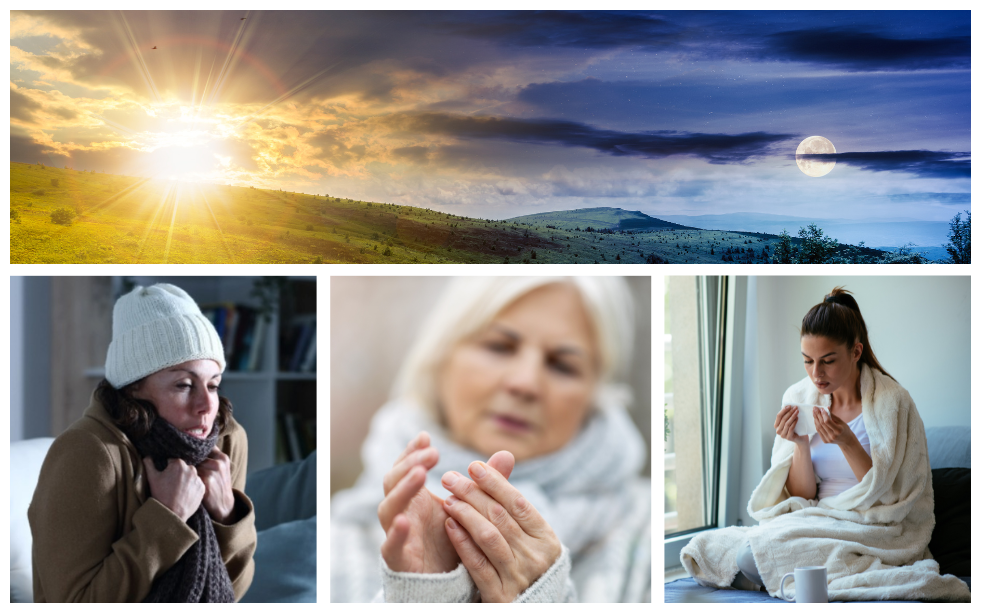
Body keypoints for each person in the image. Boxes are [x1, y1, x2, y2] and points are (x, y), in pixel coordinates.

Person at [331, 277, 651, 602]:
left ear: (593, 395)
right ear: (442, 357)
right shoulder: (335, 538)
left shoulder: (650, 532)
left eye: (562, 365)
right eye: (499, 346)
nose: (524, 383)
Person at [681, 287, 970, 602]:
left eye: (828, 361)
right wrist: (800, 444)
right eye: (807, 361)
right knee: (709, 546)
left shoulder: (893, 403)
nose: (816, 374)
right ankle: (788, 573)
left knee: (751, 557)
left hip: (869, 525)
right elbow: (802, 496)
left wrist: (847, 441)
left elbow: (892, 499)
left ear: (856, 352)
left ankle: (775, 575)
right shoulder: (800, 398)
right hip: (815, 517)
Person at [29, 283, 257, 602]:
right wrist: (168, 517)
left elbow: (231, 590)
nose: (207, 405)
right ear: (134, 388)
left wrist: (227, 515)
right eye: (184, 385)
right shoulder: (87, 452)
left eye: (213, 384)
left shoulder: (226, 441)